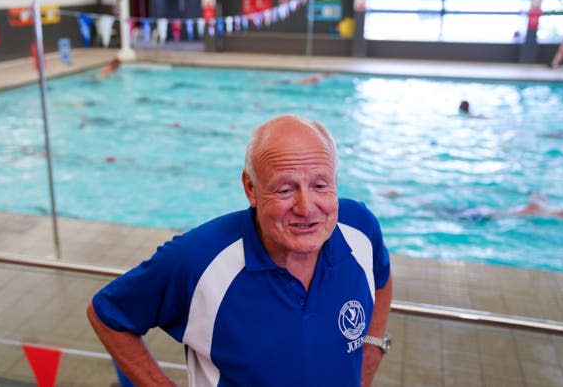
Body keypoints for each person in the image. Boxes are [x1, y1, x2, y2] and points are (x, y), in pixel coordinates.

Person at [87, 114, 393, 387]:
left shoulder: (360, 229)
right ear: (251, 188)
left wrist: (373, 345)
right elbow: (108, 315)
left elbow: (382, 277)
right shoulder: (198, 259)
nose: (306, 207)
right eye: (285, 189)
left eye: (320, 185)